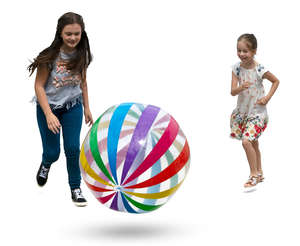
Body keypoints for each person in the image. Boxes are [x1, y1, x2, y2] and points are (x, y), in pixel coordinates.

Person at [28, 12, 93, 206]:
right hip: (49, 108)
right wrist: (48, 114)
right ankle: (46, 164)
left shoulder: (83, 54)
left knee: (73, 148)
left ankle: (75, 188)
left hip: (73, 106)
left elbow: (84, 82)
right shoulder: (50, 56)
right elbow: (39, 86)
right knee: (53, 152)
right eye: (68, 34)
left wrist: (87, 107)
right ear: (60, 33)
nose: (73, 38)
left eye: (77, 34)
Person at [230, 34, 279, 190]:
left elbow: (276, 81)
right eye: (239, 50)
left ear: (254, 51)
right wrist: (240, 87)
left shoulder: (259, 69)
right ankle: (260, 172)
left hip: (257, 113)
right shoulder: (236, 68)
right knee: (254, 142)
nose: (242, 54)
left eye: (245, 51)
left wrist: (267, 98)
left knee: (246, 142)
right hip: (243, 112)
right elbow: (232, 91)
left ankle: (253, 175)